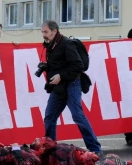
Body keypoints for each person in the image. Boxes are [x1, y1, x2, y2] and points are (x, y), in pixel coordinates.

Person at [39, 20, 102, 155]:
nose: (44, 35)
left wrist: (61, 76)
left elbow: (78, 66)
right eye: (42, 32)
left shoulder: (66, 44)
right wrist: (47, 67)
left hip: (72, 83)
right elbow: (59, 63)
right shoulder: (51, 45)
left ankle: (95, 149)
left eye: (46, 32)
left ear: (54, 31)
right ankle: (50, 149)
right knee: (50, 117)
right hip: (58, 87)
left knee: (77, 115)